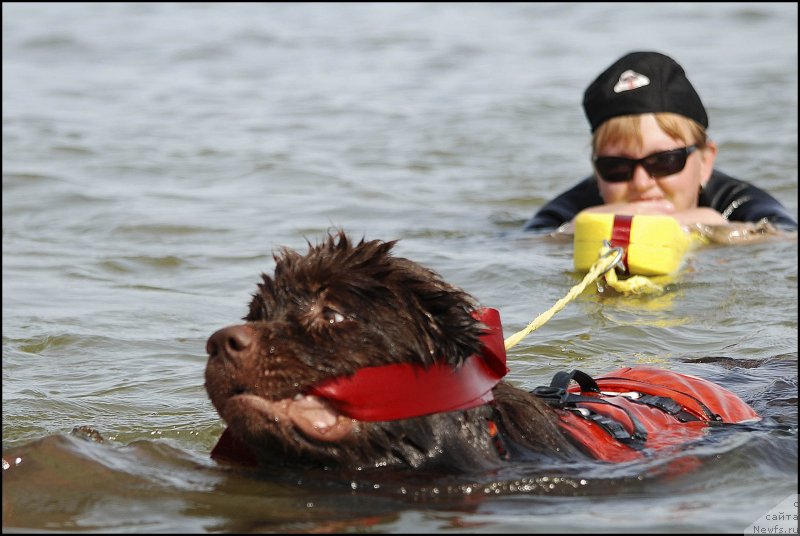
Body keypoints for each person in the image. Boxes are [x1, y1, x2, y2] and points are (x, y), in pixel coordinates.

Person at [523, 51, 798, 239]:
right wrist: (581, 228)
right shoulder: (578, 209)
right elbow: (519, 244)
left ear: (705, 162)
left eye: (664, 161)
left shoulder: (738, 202)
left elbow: (786, 240)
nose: (641, 184)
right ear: (596, 172)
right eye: (616, 167)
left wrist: (711, 229)